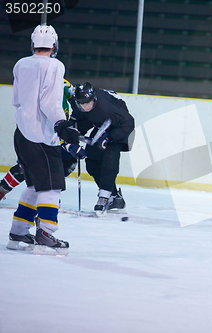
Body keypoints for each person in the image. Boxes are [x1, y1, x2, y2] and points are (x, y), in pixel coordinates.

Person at [7, 25, 83, 254]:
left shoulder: (21, 64)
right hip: (41, 135)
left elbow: (18, 100)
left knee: (33, 186)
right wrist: (62, 124)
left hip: (21, 133)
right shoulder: (55, 65)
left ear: (33, 44)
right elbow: (49, 103)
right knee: (51, 187)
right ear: (54, 45)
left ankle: (18, 232)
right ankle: (46, 233)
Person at [0, 79, 85, 202]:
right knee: (26, 166)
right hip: (34, 132)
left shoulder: (62, 83)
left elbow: (74, 95)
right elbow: (49, 134)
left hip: (58, 129)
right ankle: (2, 189)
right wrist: (68, 145)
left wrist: (75, 113)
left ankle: (50, 192)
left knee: (68, 161)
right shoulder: (37, 92)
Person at [70, 82, 135, 212]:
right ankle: (115, 197)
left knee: (110, 156)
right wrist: (74, 134)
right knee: (92, 162)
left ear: (94, 98)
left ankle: (104, 197)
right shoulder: (81, 104)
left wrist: (110, 137)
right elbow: (86, 119)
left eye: (88, 103)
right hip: (103, 125)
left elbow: (129, 122)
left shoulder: (106, 107)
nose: (86, 106)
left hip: (120, 127)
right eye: (82, 104)